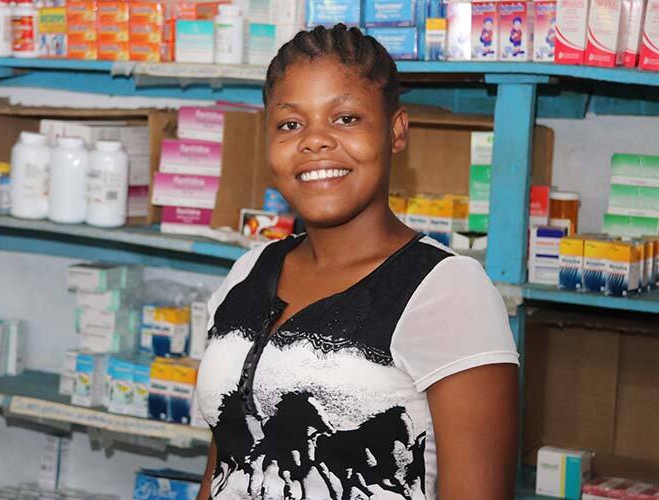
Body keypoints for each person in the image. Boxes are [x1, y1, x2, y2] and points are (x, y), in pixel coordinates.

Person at [195, 24, 519, 500]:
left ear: (395, 131)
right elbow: (225, 464)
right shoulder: (247, 273)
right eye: (290, 124)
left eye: (345, 118)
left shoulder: (446, 291)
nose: (315, 141)